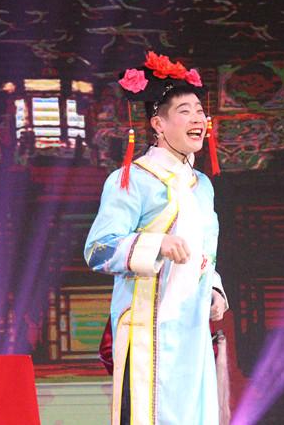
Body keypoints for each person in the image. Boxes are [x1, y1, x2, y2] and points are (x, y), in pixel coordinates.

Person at [84, 51, 227, 425]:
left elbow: (204, 253)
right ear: (158, 124)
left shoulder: (202, 186)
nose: (198, 119)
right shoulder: (133, 179)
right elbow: (98, 249)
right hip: (149, 329)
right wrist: (155, 244)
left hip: (192, 328)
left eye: (200, 111)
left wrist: (214, 289)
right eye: (185, 111)